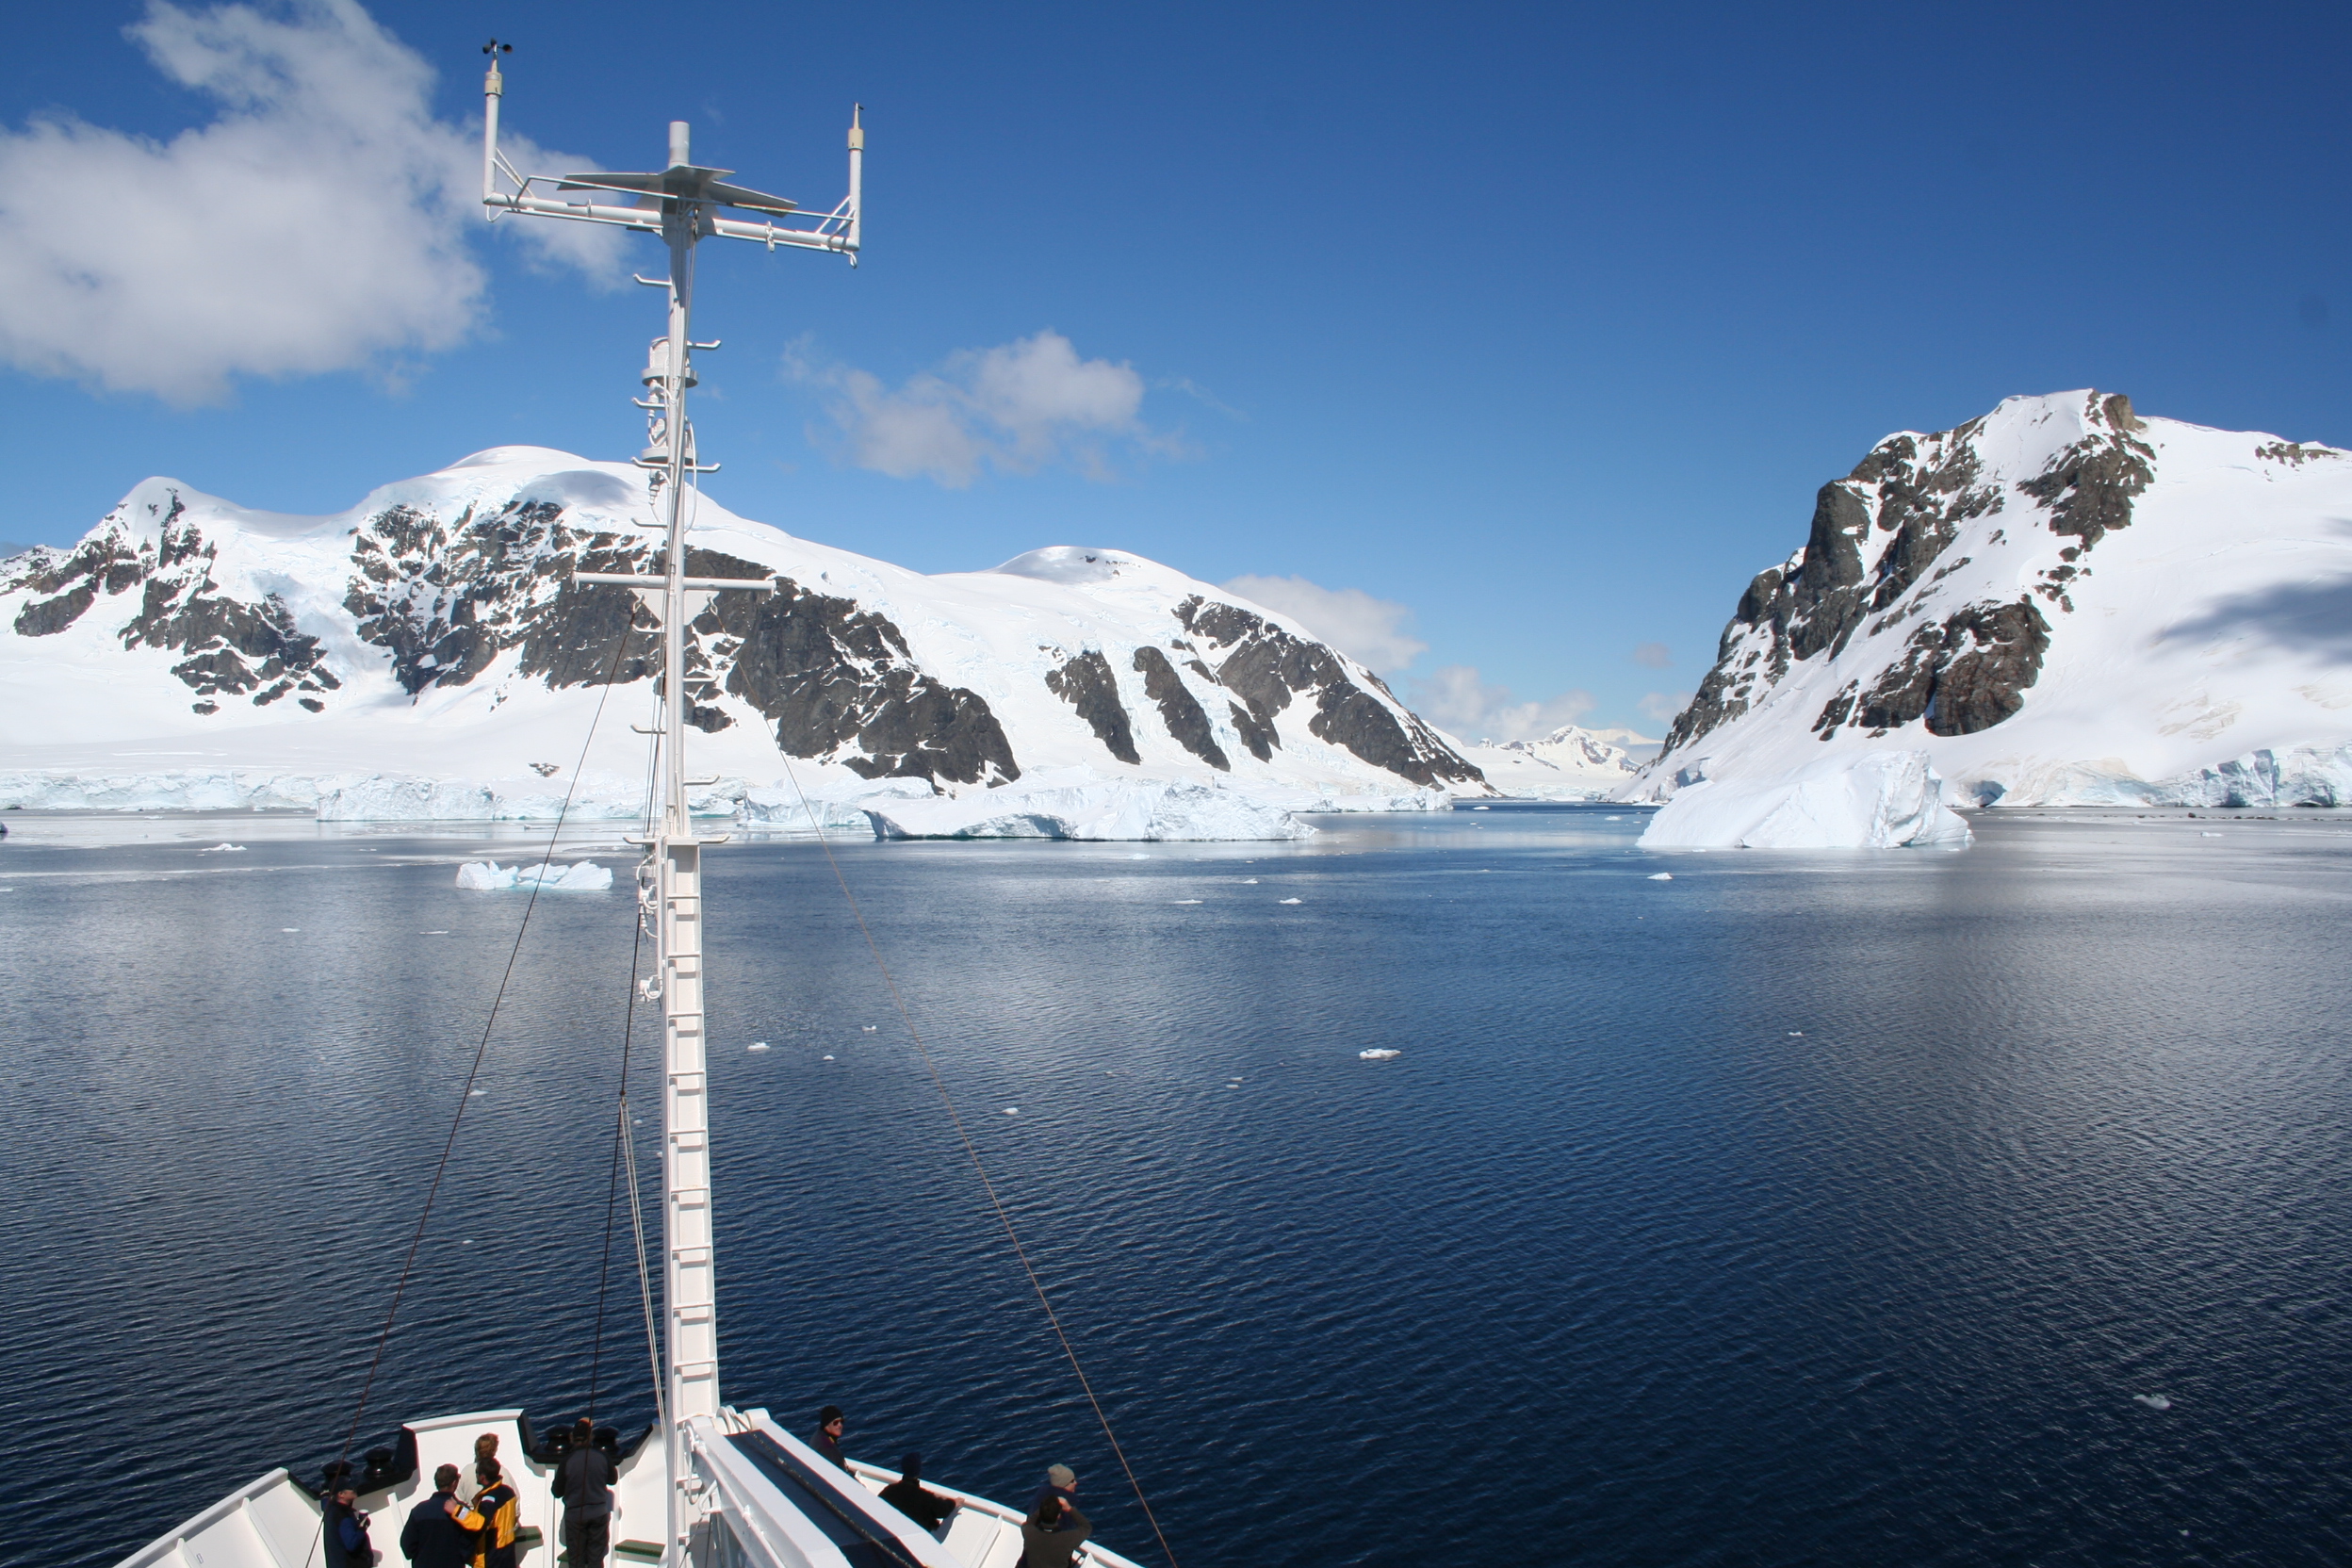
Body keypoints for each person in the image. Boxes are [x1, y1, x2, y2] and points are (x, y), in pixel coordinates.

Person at [551, 1417, 618, 1568]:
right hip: (599, 1514)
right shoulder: (602, 1457)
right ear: (591, 1437)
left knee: (576, 1561)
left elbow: (557, 1492)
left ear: (571, 1438)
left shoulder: (567, 1461)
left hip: (575, 1517)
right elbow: (612, 1480)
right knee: (596, 1559)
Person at [400, 1465, 485, 1568]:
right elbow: (471, 1539)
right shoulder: (461, 1511)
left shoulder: (418, 1511)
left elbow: (407, 1545)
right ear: (454, 1483)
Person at [877, 1452, 955, 1532]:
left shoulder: (888, 1491)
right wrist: (953, 1502)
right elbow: (943, 1511)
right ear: (919, 1470)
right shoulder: (924, 1497)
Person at [1017, 1490, 1091, 1568]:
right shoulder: (1067, 1539)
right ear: (1058, 1516)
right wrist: (1069, 1508)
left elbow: (1029, 1522)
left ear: (1041, 1513)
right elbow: (1086, 1527)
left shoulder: (1028, 1532)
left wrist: (1045, 1507)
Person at [470, 1458, 520, 1568]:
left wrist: (458, 1511)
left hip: (493, 1552)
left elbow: (480, 1523)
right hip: (508, 1549)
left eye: (477, 1472)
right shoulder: (508, 1492)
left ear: (483, 1477)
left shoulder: (489, 1498)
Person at [323, 1481, 375, 1568]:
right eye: (350, 1488)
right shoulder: (344, 1518)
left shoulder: (330, 1507)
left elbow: (324, 1502)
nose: (354, 1489)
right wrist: (362, 1528)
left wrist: (324, 1495)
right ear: (341, 1494)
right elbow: (352, 1544)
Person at [811, 1406, 848, 1470]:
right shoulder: (827, 1448)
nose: (840, 1425)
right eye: (835, 1422)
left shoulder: (819, 1435)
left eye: (841, 1421)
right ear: (826, 1424)